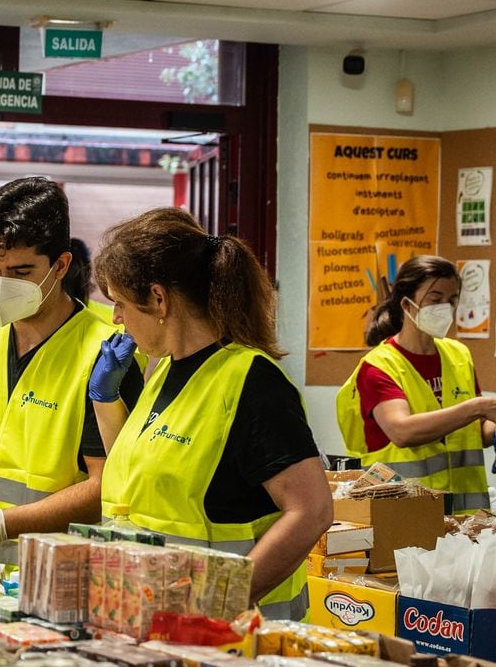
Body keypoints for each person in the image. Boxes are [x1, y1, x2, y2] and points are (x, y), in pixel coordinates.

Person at [88, 208, 331, 619]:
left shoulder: (251, 381)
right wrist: (103, 397)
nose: (115, 318)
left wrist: (221, 602)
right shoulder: (163, 369)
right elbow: (137, 479)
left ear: (159, 298)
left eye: (119, 303)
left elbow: (313, 510)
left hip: (232, 639)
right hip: (154, 620)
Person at [0, 177, 142, 559]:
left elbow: (106, 487)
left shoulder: (106, 357)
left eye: (21, 272)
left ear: (61, 265)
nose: (3, 285)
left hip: (49, 577)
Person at [333, 255, 496, 514]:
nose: (446, 307)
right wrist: (480, 407)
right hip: (404, 517)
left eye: (452, 300)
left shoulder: (458, 355)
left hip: (466, 519)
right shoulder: (379, 367)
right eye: (435, 299)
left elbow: (475, 430)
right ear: (407, 305)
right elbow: (402, 432)